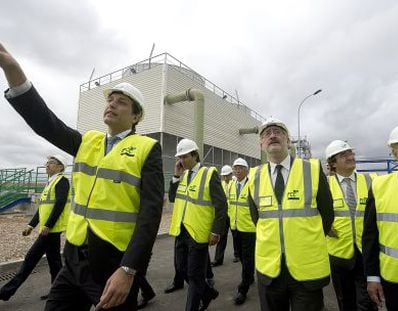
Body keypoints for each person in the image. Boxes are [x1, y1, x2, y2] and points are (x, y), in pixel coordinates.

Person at [0, 43, 164, 311]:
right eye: (110, 100)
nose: (112, 104)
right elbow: (45, 122)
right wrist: (11, 68)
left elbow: (150, 215)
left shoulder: (147, 149)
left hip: (113, 263)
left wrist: (129, 269)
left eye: (121, 102)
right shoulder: (88, 141)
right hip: (74, 256)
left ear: (136, 116)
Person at [248, 117, 334, 311]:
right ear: (261, 144)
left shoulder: (311, 169)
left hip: (306, 270)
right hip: (270, 270)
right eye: (266, 133)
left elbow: (327, 215)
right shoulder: (254, 176)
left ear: (288, 141)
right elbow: (257, 219)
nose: (272, 135)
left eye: (278, 131)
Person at [0, 155, 70, 302]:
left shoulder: (62, 181)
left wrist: (48, 225)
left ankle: (5, 292)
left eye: (52, 162)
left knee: (30, 260)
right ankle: (59, 294)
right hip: (48, 230)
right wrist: (31, 225)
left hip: (51, 230)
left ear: (60, 167)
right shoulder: (49, 183)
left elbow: (60, 204)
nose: (47, 165)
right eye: (47, 162)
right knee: (55, 263)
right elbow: (42, 208)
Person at [169, 138, 227, 311]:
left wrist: (216, 231)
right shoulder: (184, 175)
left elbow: (221, 205)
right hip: (181, 230)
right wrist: (175, 176)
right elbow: (173, 198)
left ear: (195, 155)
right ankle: (208, 293)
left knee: (194, 275)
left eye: (184, 157)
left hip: (199, 232)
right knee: (181, 268)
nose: (181, 161)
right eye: (179, 157)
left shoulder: (209, 174)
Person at [362, 121, 398, 311]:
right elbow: (370, 235)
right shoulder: (379, 186)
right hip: (396, 279)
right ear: (394, 153)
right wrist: (372, 277)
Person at [325, 140, 377, 311]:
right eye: (344, 155)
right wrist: (325, 226)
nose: (350, 157)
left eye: (351, 153)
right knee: (345, 301)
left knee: (368, 301)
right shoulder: (324, 185)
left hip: (366, 251)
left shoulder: (371, 180)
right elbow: (313, 212)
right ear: (333, 163)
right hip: (339, 253)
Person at [228, 158, 255, 305]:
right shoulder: (232, 185)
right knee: (242, 257)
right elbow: (230, 204)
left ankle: (243, 289)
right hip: (235, 227)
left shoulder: (252, 185)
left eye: (240, 168)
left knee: (248, 257)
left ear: (246, 170)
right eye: (235, 168)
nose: (237, 171)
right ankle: (249, 276)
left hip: (250, 229)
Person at [211, 165, 240, 266]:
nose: (224, 178)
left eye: (226, 175)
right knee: (222, 236)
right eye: (223, 176)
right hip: (224, 214)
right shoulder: (222, 184)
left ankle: (237, 255)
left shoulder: (236, 183)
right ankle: (218, 259)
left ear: (230, 175)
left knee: (236, 236)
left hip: (233, 214)